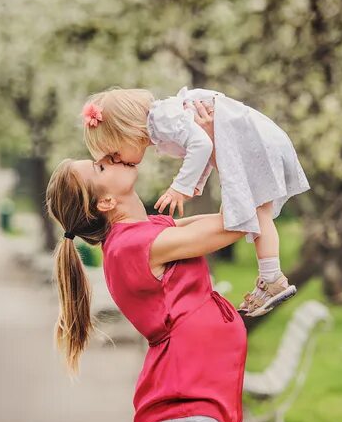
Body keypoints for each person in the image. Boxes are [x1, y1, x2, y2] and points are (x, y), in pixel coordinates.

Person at [45, 144, 246, 422]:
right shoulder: (132, 245)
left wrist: (209, 151)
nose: (109, 159)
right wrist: (216, 146)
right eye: (99, 168)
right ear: (106, 202)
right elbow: (238, 222)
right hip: (187, 403)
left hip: (195, 399)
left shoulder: (143, 231)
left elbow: (236, 216)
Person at [80, 86, 310, 317]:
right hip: (252, 141)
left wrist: (180, 187)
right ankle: (269, 277)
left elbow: (202, 144)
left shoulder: (163, 120)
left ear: (127, 131)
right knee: (255, 210)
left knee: (256, 210)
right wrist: (196, 184)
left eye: (115, 153)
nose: (119, 161)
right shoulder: (164, 121)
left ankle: (272, 278)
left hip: (253, 143)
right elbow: (203, 146)